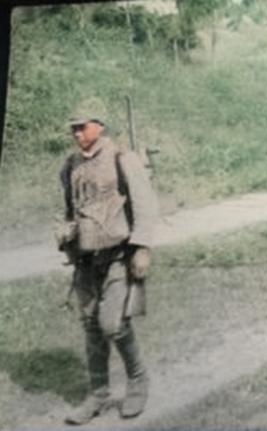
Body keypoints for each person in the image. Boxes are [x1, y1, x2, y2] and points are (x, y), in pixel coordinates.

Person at [55, 99, 158, 425]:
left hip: (118, 256)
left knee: (113, 324)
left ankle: (138, 381)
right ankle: (98, 394)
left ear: (99, 125)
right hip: (86, 260)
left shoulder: (121, 158)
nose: (76, 133)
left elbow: (145, 205)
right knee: (90, 326)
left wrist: (142, 247)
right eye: (73, 127)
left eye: (82, 126)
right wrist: (65, 232)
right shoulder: (71, 165)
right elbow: (70, 208)